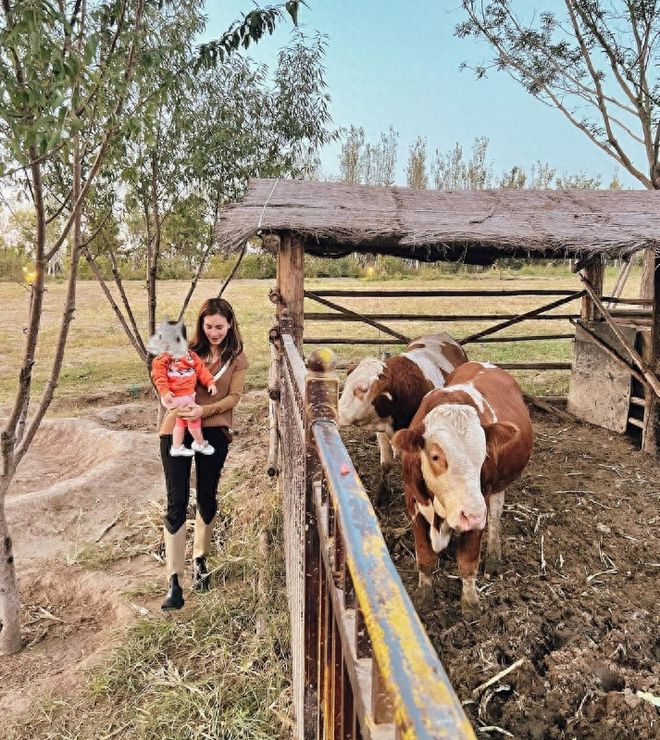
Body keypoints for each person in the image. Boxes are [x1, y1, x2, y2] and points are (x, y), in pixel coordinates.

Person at [158, 298, 248, 610]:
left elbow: (234, 397)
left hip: (214, 429)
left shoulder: (237, 358)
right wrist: (168, 396)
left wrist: (204, 409)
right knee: (176, 500)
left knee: (206, 494)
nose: (213, 332)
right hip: (176, 426)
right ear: (201, 325)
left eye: (219, 327)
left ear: (230, 325)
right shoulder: (186, 350)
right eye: (208, 326)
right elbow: (160, 374)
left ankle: (200, 559)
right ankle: (174, 581)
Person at [149, 318, 218, 457]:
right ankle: (199, 442)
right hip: (173, 396)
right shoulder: (162, 359)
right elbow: (159, 377)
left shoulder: (191, 356)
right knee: (193, 416)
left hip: (187, 395)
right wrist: (165, 392)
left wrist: (210, 382)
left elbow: (201, 370)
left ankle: (177, 446)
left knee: (181, 421)